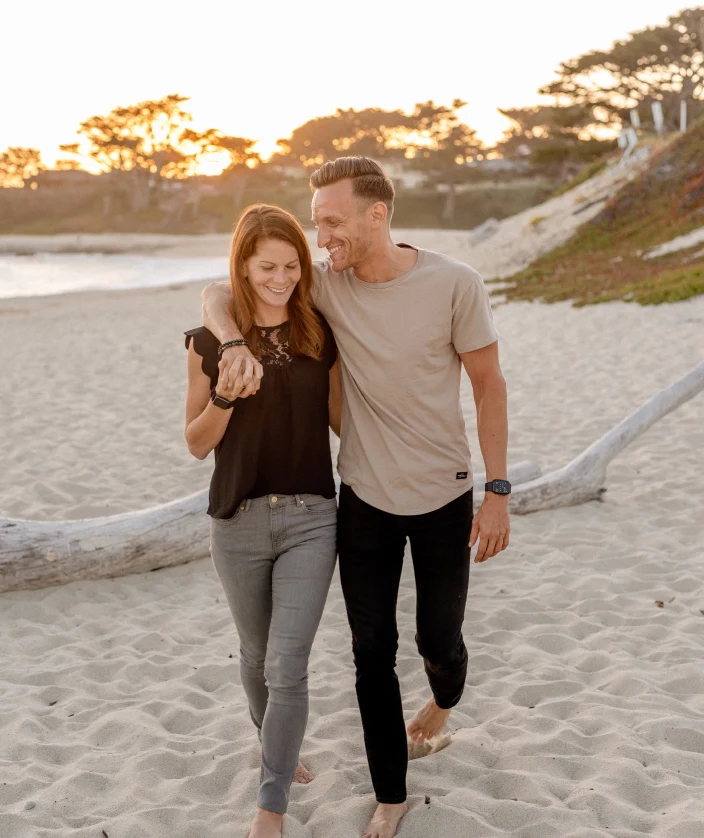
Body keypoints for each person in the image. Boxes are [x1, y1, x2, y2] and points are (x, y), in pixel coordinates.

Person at [201, 157, 510, 838]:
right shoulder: (328, 288)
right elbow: (223, 293)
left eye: (333, 221)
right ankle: (391, 792)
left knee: (440, 641)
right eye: (318, 223)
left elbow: (489, 385)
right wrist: (227, 342)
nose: (322, 237)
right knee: (371, 651)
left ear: (378, 214)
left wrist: (498, 489)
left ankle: (445, 700)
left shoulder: (455, 283)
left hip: (445, 495)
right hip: (364, 498)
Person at [184, 204, 341, 838]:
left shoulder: (319, 334)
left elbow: (342, 423)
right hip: (237, 519)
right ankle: (274, 744)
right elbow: (196, 443)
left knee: (287, 662)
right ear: (243, 270)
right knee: (254, 655)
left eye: (291, 265)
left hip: (311, 517)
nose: (281, 277)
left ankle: (269, 807)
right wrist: (225, 388)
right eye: (267, 266)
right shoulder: (208, 339)